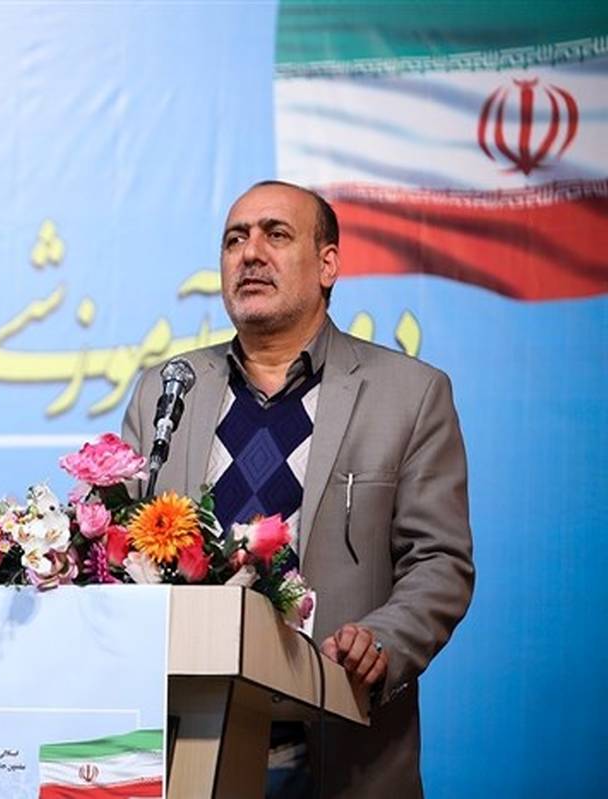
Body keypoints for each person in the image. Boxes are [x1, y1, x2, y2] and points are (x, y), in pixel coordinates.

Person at [121, 181, 475, 797]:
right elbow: (116, 550)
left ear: (328, 264)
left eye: (276, 235)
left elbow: (440, 561)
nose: (250, 253)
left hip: (335, 746)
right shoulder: (168, 389)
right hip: (184, 747)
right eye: (235, 239)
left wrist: (384, 640)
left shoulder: (410, 394)